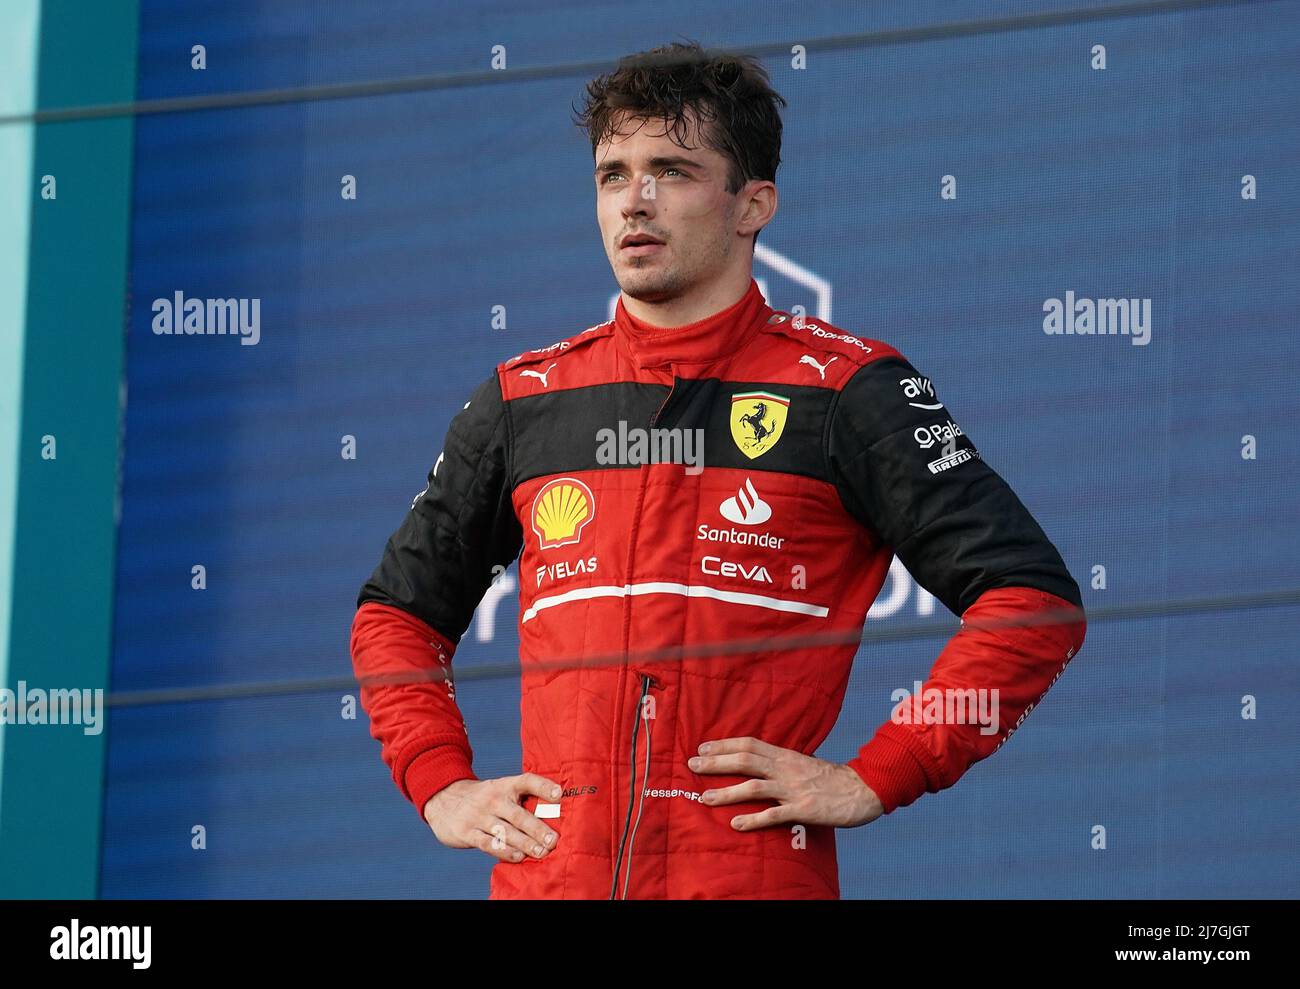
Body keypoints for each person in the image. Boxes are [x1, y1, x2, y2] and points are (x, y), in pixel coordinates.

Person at [350, 40, 1086, 899]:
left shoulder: (848, 390)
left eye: (672, 170)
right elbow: (395, 616)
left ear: (752, 204)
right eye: (612, 174)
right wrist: (438, 782)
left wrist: (881, 771)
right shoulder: (526, 399)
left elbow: (1032, 604)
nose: (636, 201)